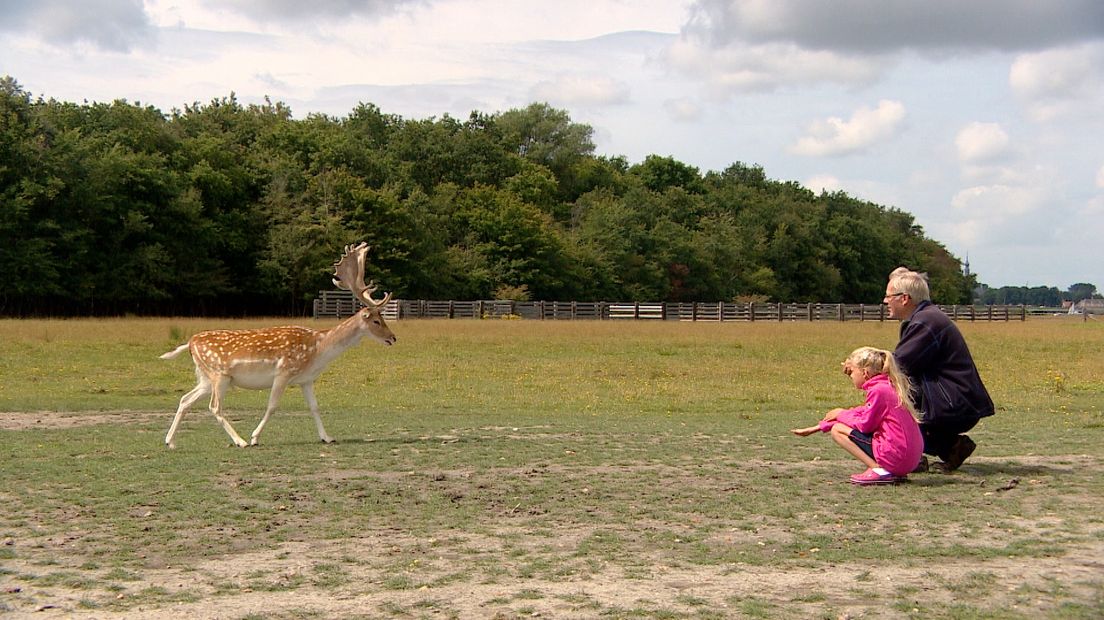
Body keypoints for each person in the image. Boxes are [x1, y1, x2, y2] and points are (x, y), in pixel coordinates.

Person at [884, 267, 995, 472]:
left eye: (888, 296)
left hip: (954, 405)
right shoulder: (926, 317)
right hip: (958, 400)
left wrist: (863, 364)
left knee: (886, 398)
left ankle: (909, 456)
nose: (885, 301)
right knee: (897, 392)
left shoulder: (925, 322)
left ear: (904, 298)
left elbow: (898, 365)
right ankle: (952, 447)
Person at [792, 346, 924, 485]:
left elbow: (865, 425)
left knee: (837, 430)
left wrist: (840, 414)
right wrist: (819, 427)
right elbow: (860, 412)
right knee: (839, 426)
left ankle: (879, 470)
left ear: (865, 373)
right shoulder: (888, 387)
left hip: (897, 457)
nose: (851, 376)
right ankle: (889, 471)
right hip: (909, 459)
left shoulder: (878, 391)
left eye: (852, 373)